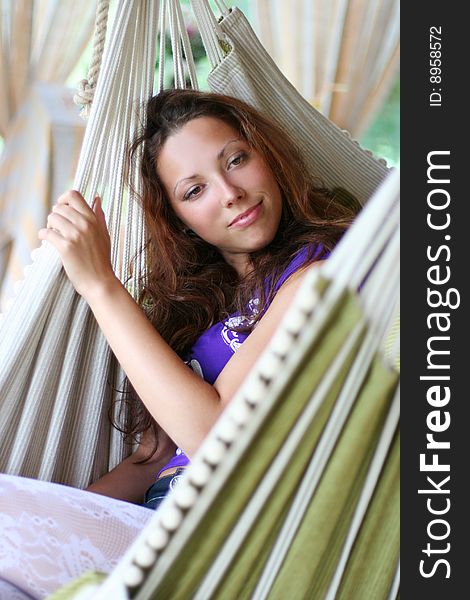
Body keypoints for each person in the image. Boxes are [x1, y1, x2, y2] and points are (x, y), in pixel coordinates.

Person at [0, 89, 356, 598]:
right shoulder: (203, 316)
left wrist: (100, 285)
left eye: (236, 159)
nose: (229, 192)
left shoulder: (317, 277)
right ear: (178, 219)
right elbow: (149, 461)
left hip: (224, 537)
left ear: (269, 156)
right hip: (150, 524)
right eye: (194, 191)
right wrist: (50, 520)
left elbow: (215, 440)